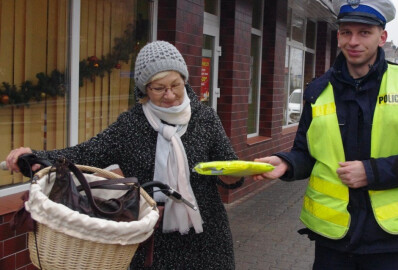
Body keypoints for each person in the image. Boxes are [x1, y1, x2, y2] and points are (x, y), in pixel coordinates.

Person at [5, 41, 243, 269]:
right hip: (150, 239)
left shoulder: (205, 119)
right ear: (144, 89)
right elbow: (84, 154)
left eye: (176, 85)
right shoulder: (130, 126)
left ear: (184, 81)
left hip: (207, 238)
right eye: (159, 88)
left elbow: (229, 165)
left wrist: (233, 176)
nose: (169, 95)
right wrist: (34, 156)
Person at [253, 0, 398, 269]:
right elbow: (307, 153)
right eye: (346, 32)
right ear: (338, 36)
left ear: (382, 37)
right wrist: (287, 164)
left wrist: (372, 172)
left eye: (364, 32)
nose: (353, 41)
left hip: (390, 242)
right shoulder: (318, 90)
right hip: (333, 242)